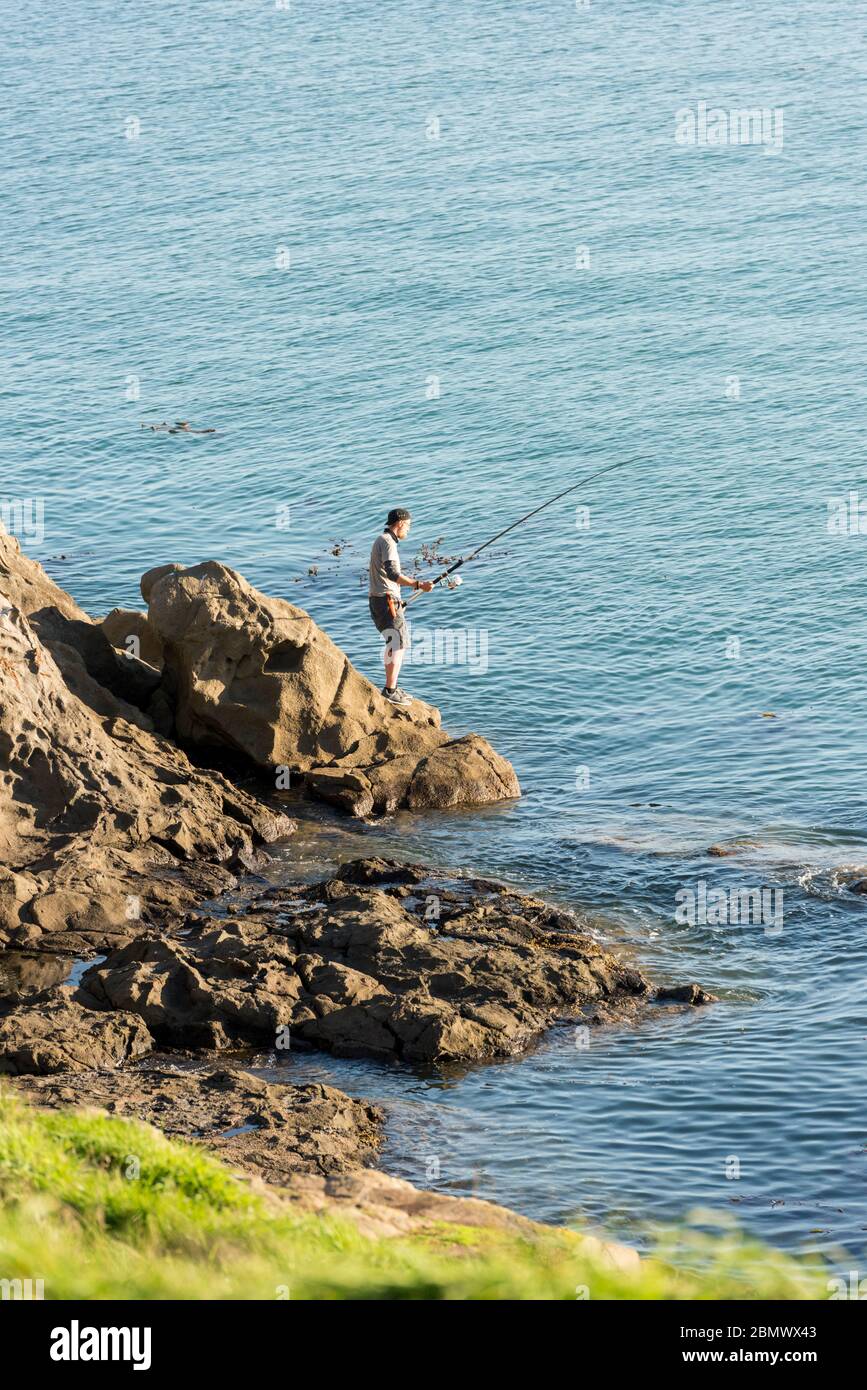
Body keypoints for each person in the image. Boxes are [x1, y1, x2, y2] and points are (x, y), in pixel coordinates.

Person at [368, 508, 433, 704]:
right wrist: (418, 584)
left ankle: (392, 687)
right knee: (399, 643)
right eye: (409, 526)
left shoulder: (382, 540)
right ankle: (390, 690)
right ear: (401, 523)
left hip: (382, 600)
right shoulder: (387, 542)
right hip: (386, 600)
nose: (409, 530)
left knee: (393, 642)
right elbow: (392, 573)